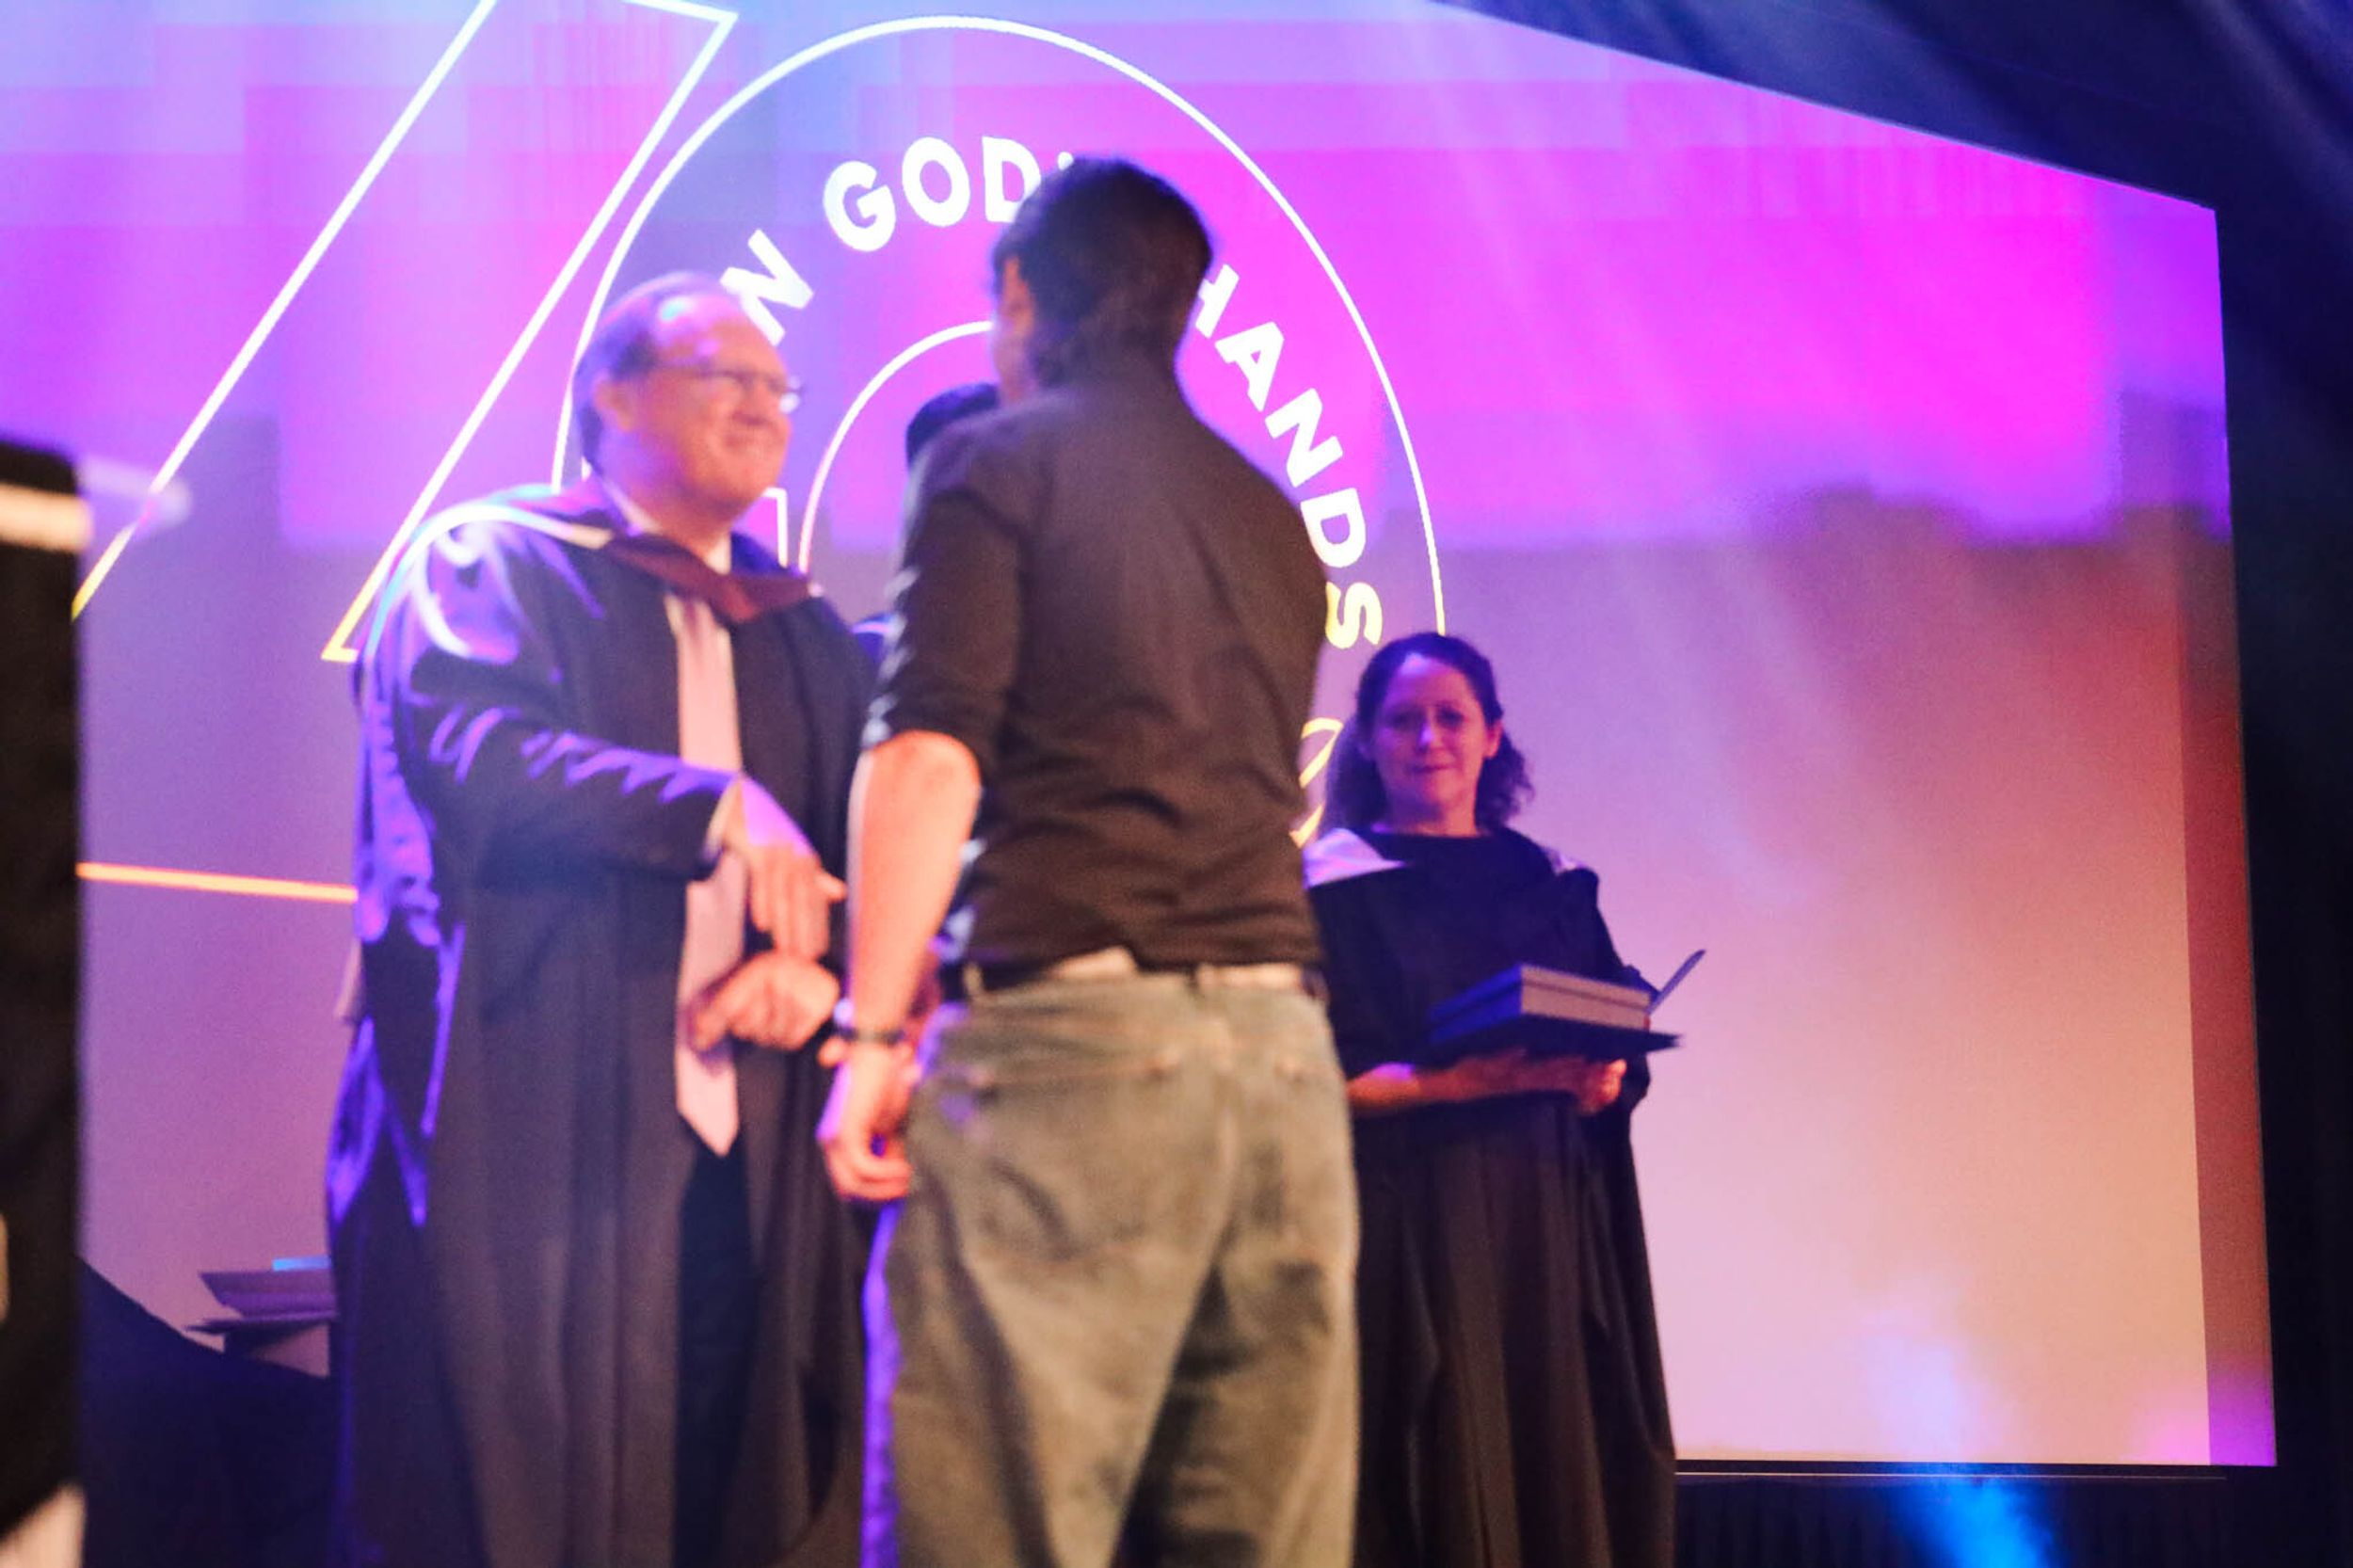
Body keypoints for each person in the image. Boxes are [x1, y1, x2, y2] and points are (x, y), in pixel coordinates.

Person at [818, 158, 1356, 1568]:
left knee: (987, 1532)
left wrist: (870, 1035)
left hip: (1075, 1054)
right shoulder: (1269, 514)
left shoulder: (995, 461)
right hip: (1286, 1069)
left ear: (1018, 293)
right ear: (1182, 303)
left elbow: (928, 755)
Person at [328, 273, 873, 1568]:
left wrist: (825, 974)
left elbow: (865, 856)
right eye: (723, 375)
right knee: (513, 1485)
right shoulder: (490, 566)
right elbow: (476, 758)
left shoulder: (805, 634)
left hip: (752, 1140)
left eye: (778, 386)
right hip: (537, 1117)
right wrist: (715, 808)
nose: (763, 404)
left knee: (733, 1480)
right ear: (611, 398)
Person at [1302, 632, 1676, 1568]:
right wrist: (1448, 1085)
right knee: (1427, 1465)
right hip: (1409, 1221)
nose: (1428, 738)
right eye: (1402, 720)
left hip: (1545, 1223)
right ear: (1367, 740)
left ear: (1492, 735)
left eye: (1450, 717)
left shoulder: (1550, 884)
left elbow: (1613, 1025)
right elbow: (1297, 1075)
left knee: (1553, 1459)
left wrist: (1605, 1079)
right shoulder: (1329, 890)